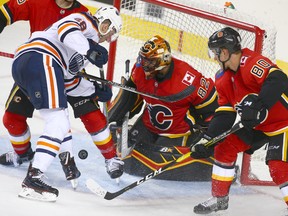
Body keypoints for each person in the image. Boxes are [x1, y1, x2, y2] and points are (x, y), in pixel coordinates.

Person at [0, 0, 123, 185]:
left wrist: (93, 90)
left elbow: (69, 80)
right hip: (43, 60)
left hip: (36, 64)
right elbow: (66, 29)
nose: (107, 40)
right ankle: (34, 176)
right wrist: (89, 49)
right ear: (105, 23)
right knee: (55, 120)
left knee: (62, 117)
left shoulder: (86, 40)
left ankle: (71, 161)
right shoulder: (87, 21)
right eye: (110, 33)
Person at [190, 27, 288, 214]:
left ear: (225, 52)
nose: (214, 57)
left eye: (216, 52)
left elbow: (278, 79)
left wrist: (260, 105)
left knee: (278, 167)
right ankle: (219, 198)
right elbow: (225, 114)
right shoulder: (222, 78)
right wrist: (208, 138)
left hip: (283, 122)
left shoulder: (251, 62)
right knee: (225, 146)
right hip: (257, 124)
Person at [108, 35, 219, 180]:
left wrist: (206, 138)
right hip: (148, 124)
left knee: (154, 168)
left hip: (177, 132)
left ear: (163, 60)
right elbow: (132, 98)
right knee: (129, 158)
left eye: (150, 62)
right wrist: (114, 118)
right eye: (143, 59)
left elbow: (213, 105)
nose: (144, 65)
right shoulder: (140, 70)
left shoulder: (189, 78)